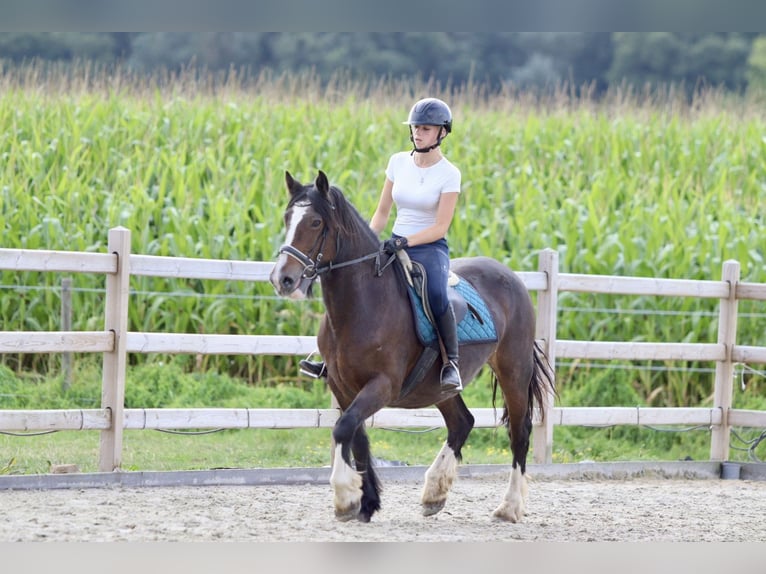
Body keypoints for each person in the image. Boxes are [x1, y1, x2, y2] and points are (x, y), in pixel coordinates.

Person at [300, 97, 463, 392]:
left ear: (442, 133)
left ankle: (451, 364)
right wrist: (367, 241)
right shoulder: (398, 162)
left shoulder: (449, 174)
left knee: (438, 294)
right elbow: (382, 212)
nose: (417, 133)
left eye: (425, 129)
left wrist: (406, 240)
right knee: (351, 286)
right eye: (415, 128)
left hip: (428, 248)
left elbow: (441, 226)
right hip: (391, 244)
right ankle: (327, 357)